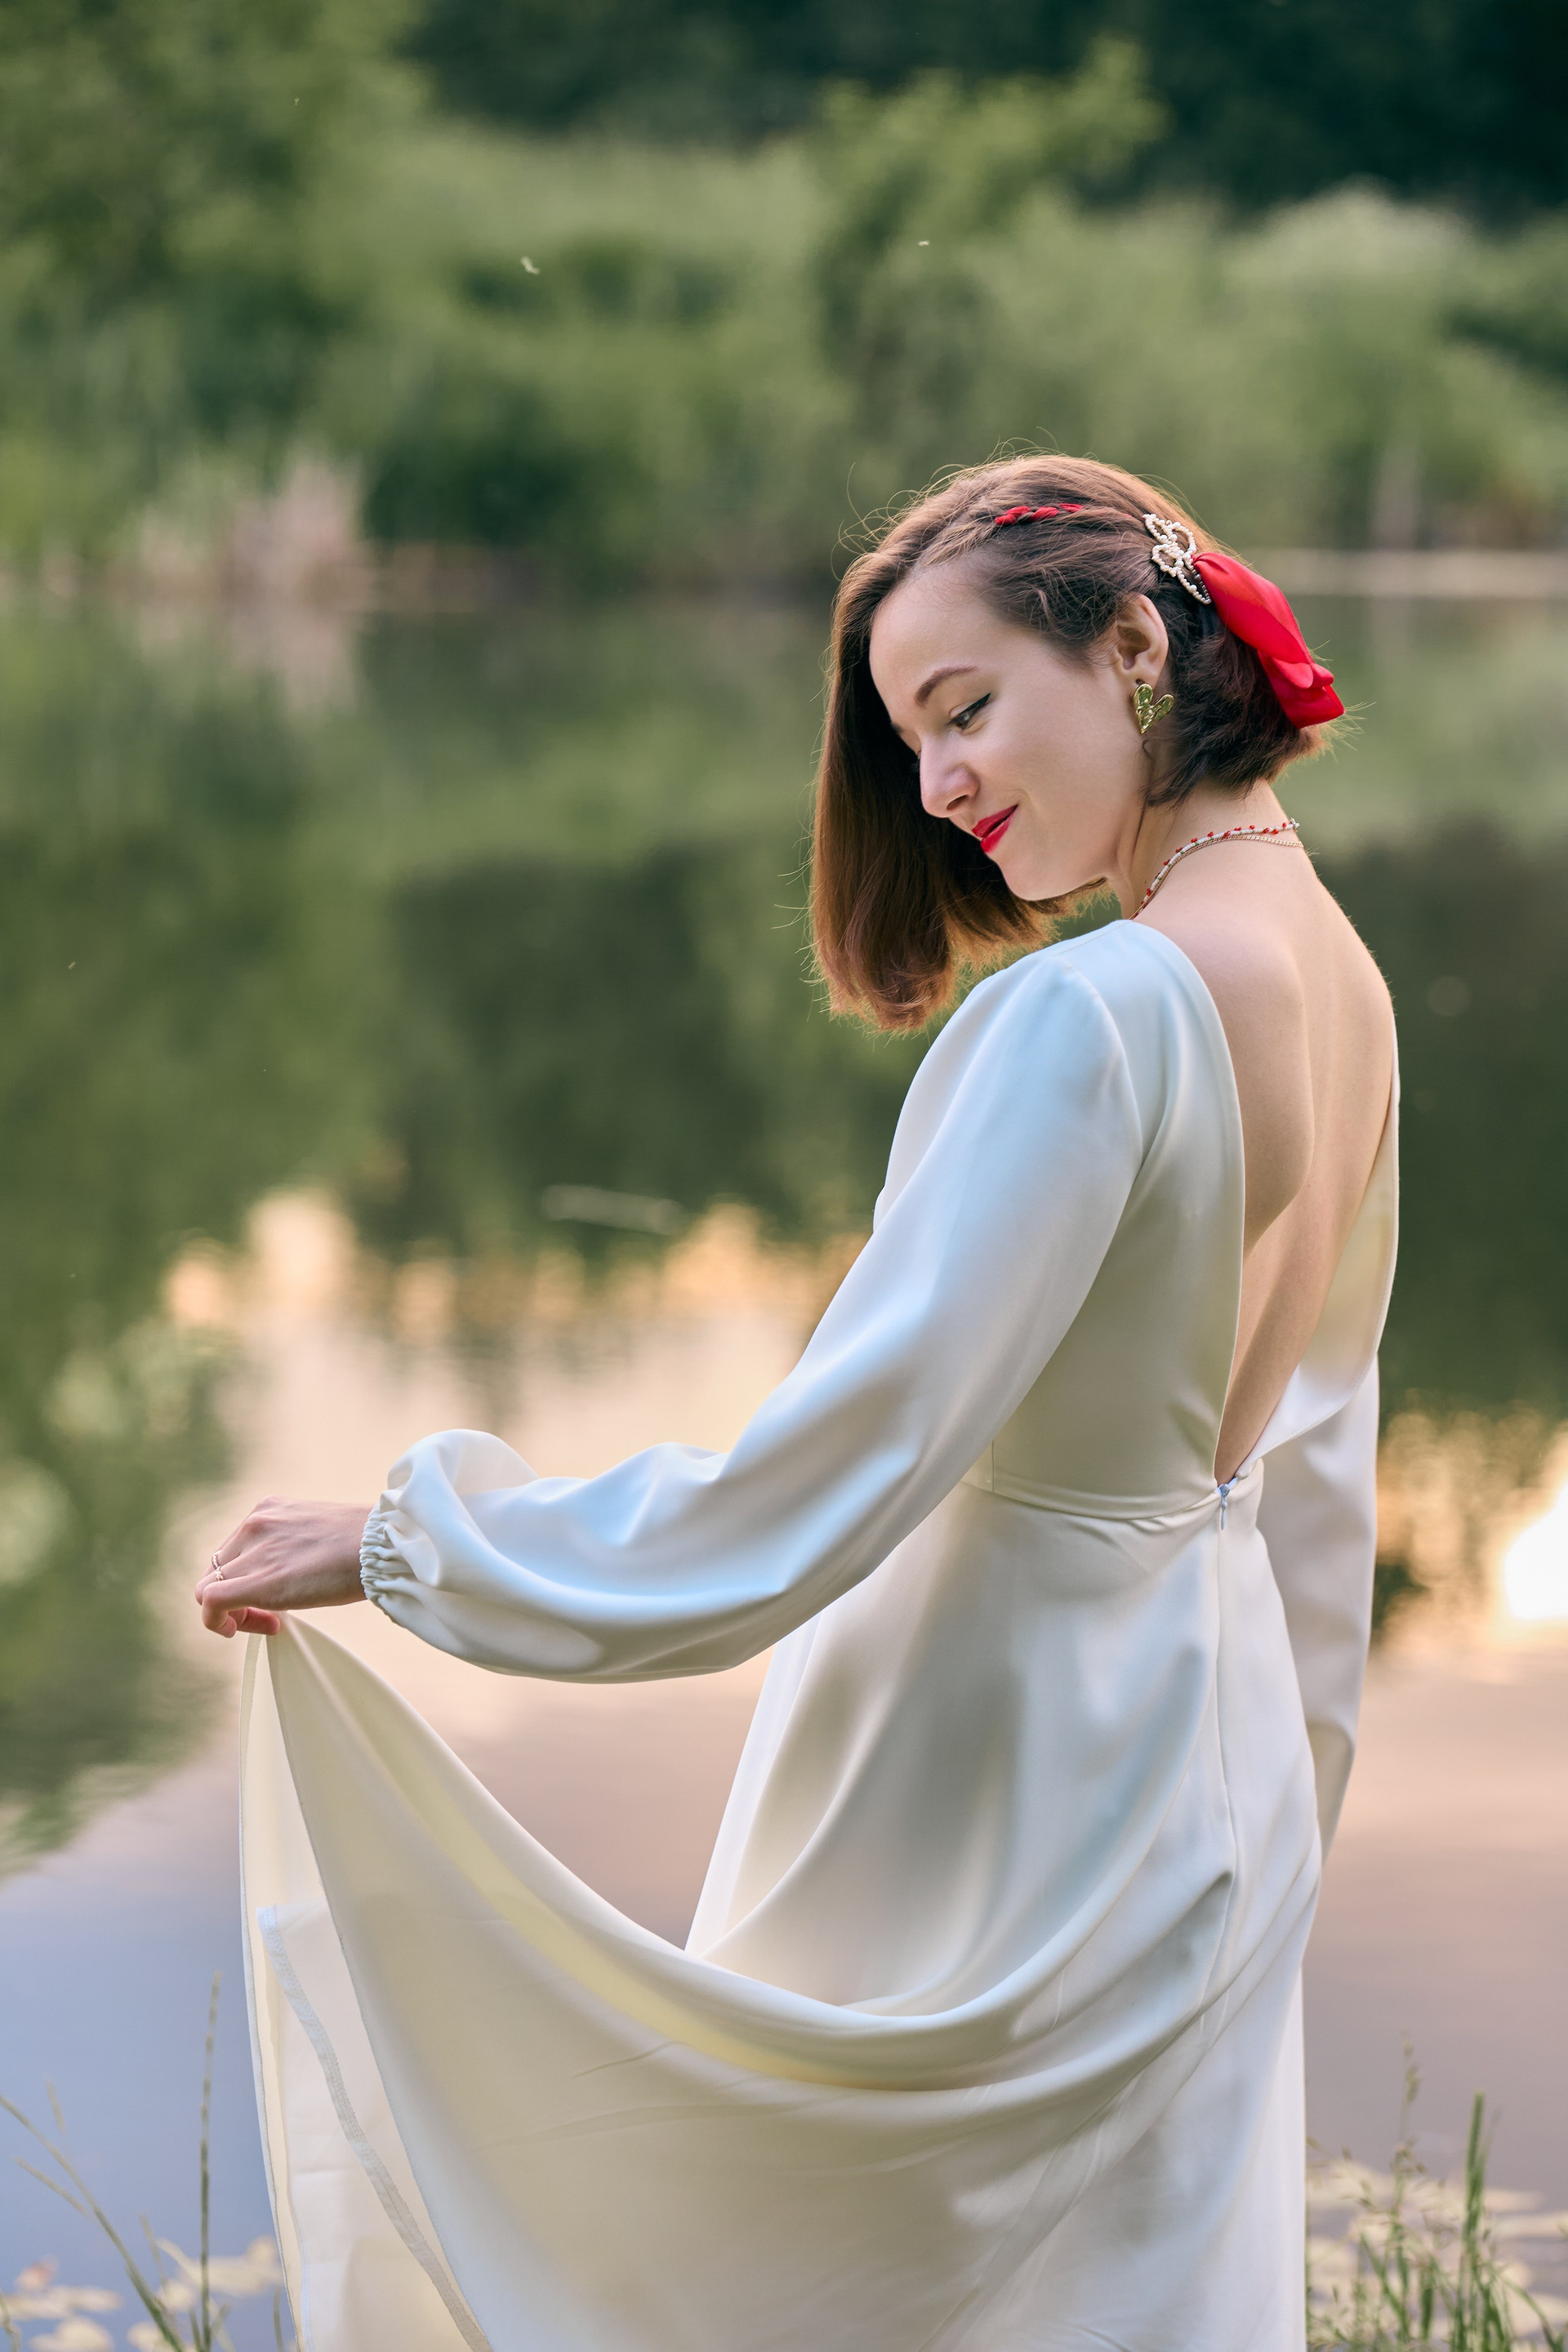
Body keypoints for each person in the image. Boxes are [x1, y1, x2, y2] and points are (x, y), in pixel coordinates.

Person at [198, 456, 1396, 2351]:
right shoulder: (1340, 973)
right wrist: (1289, 1803)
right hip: (1197, 1763)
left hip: (989, 1775)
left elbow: (819, 1484)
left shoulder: (1094, 1015)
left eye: (964, 709)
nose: (936, 788)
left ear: (1134, 647)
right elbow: (1317, 1475)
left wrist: (412, 1542)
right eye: (913, 741)